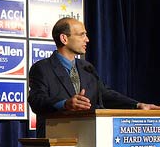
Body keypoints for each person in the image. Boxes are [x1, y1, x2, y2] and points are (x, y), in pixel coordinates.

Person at [28, 17, 160, 138]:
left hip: (87, 138)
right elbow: (36, 100)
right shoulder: (42, 68)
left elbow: (105, 94)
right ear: (64, 39)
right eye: (81, 35)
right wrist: (65, 104)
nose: (87, 39)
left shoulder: (86, 67)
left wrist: (137, 105)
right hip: (56, 139)